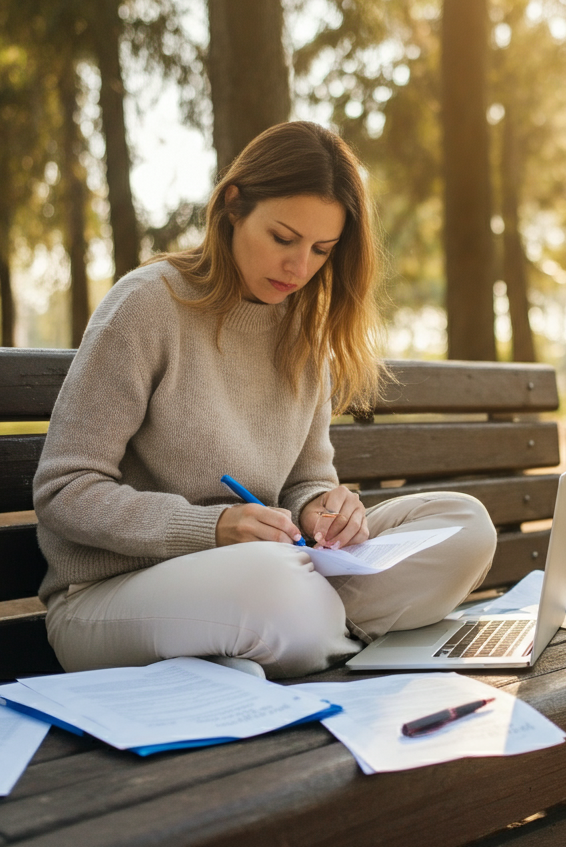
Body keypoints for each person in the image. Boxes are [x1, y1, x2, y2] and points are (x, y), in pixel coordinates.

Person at [33, 121, 497, 679]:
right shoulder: (147, 306)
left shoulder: (304, 329)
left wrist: (325, 508)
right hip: (111, 596)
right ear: (233, 205)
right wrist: (212, 528)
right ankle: (316, 634)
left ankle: (285, 641)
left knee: (462, 524)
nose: (299, 268)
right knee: (278, 588)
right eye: (283, 238)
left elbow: (307, 479)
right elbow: (64, 491)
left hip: (268, 577)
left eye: (322, 250)